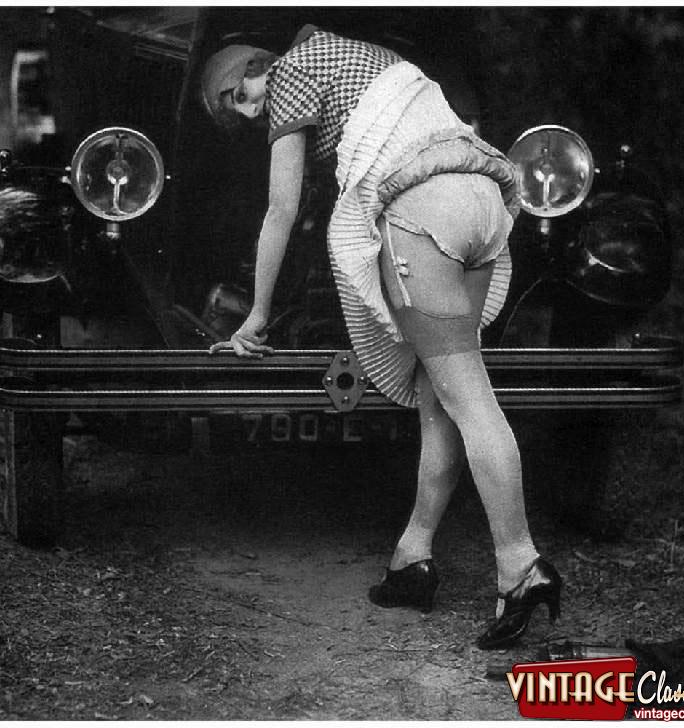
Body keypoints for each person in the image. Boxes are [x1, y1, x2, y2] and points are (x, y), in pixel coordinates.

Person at [201, 24, 561, 650]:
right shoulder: (364, 57)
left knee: (471, 402)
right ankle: (412, 559)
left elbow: (281, 209)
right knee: (438, 401)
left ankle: (520, 564)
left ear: (254, 69)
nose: (251, 112)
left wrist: (256, 315)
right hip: (482, 199)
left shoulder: (290, 75)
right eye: (237, 112)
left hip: (424, 210)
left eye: (239, 97)